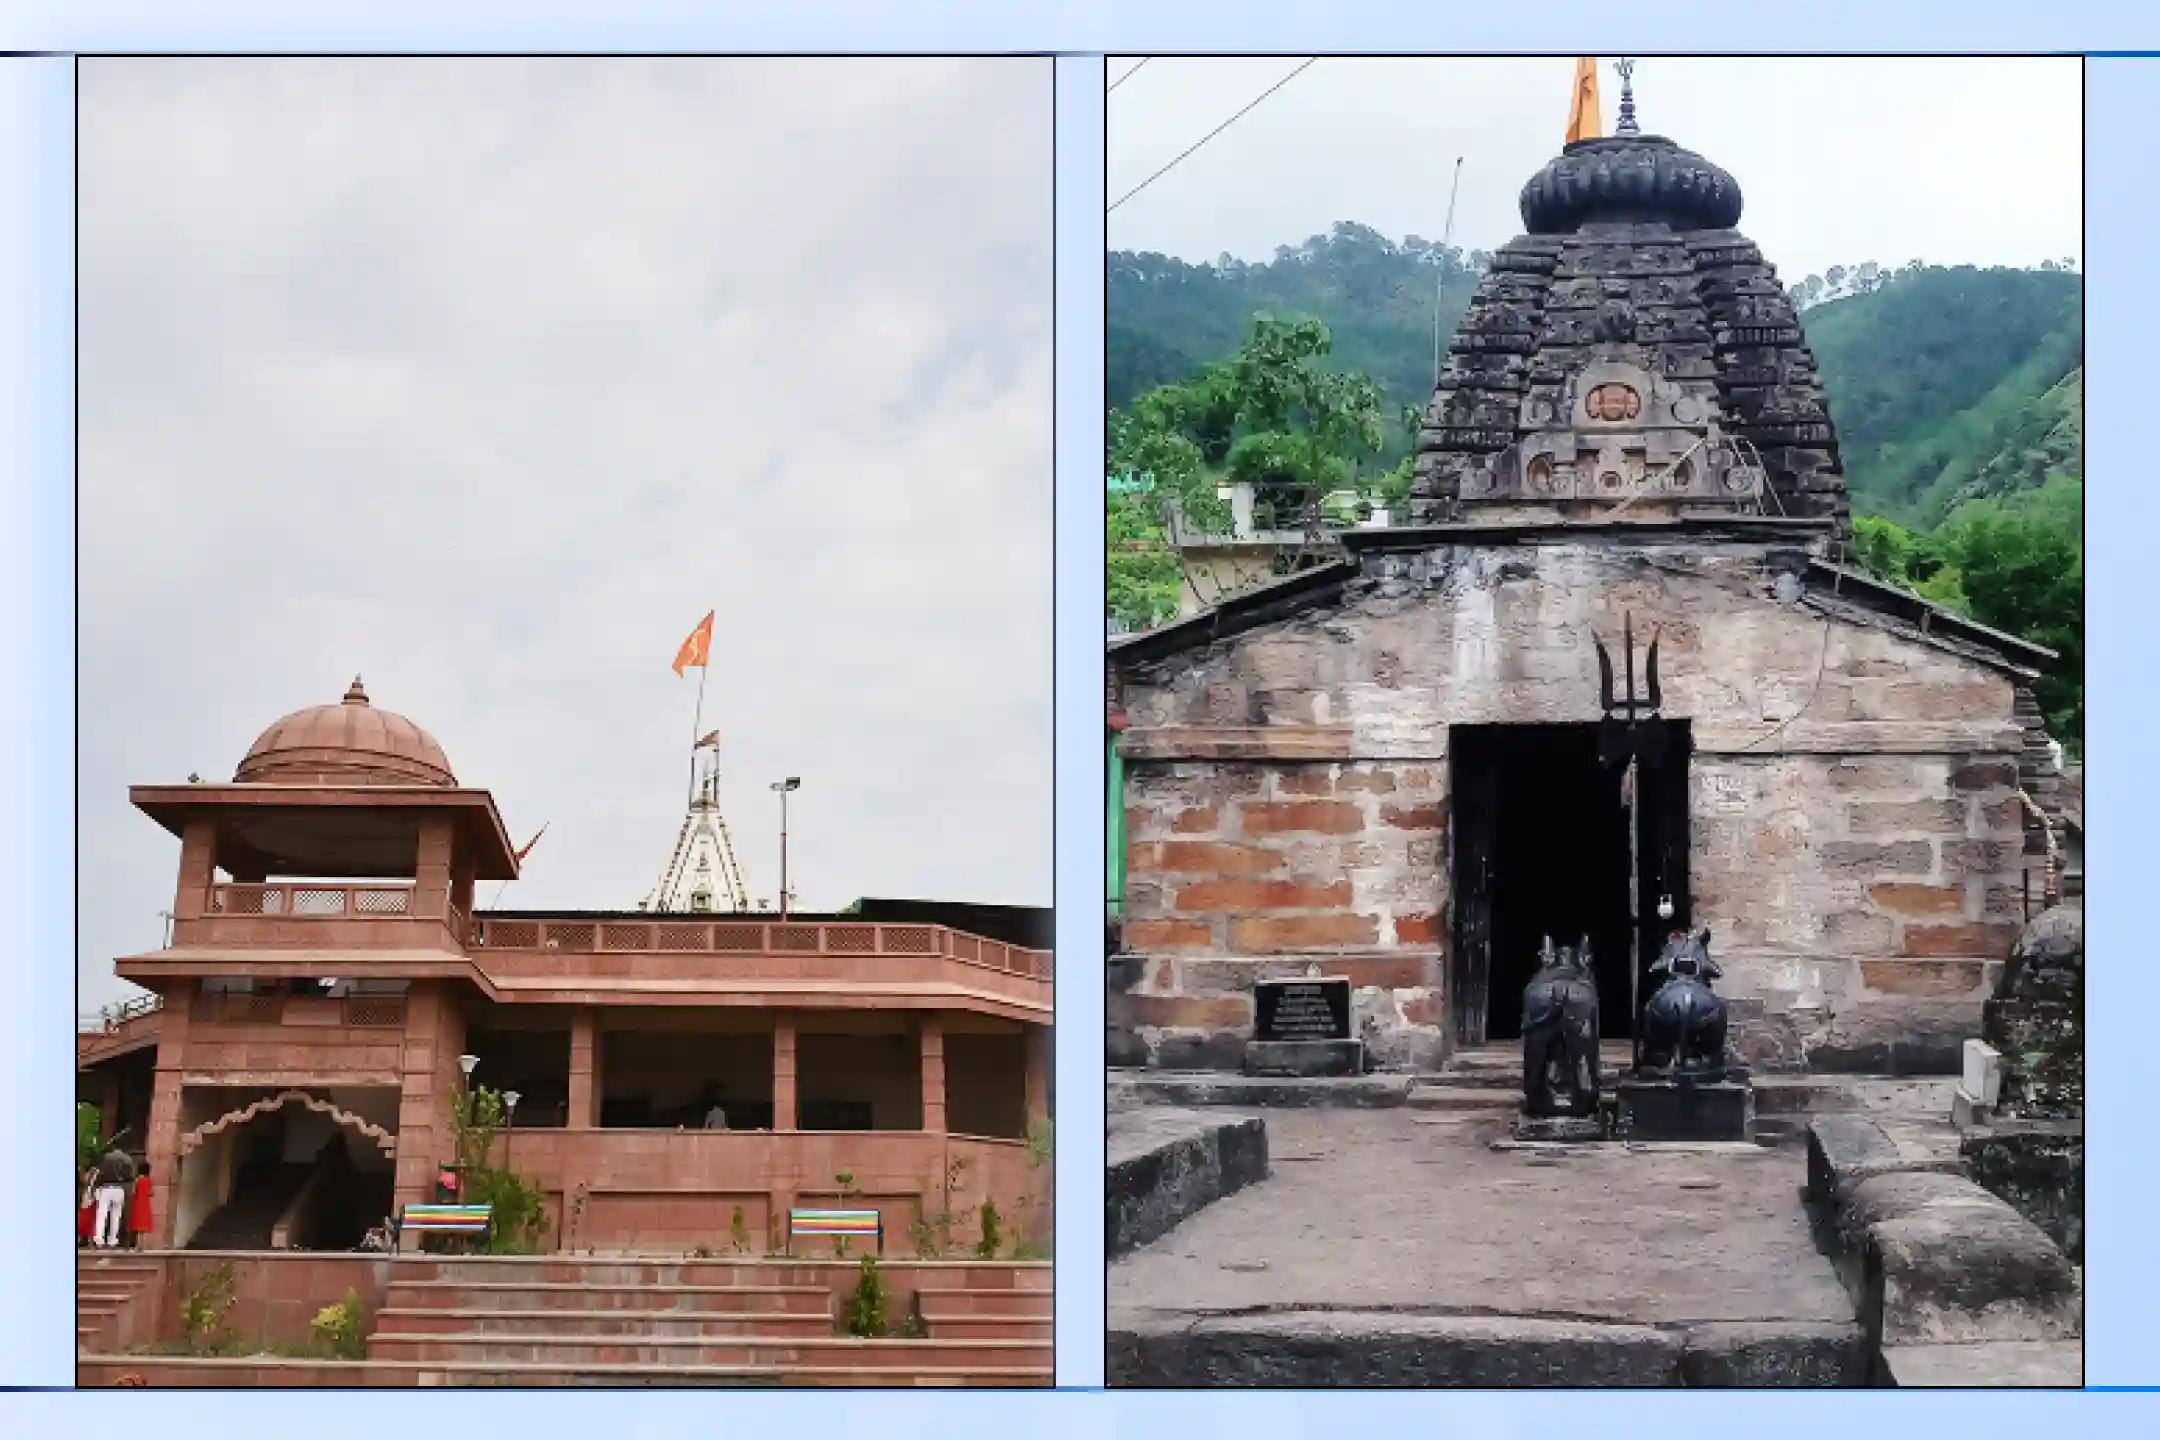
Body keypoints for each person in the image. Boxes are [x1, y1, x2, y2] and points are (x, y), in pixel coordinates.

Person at [92, 1145, 135, 1249]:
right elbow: (130, 1176)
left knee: (102, 1215)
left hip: (106, 1187)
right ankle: (112, 1241)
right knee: (116, 1216)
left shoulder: (107, 1158)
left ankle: (99, 1240)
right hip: (119, 1188)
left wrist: (96, 1186)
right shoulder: (127, 1159)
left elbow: (101, 1174)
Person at [126, 1163, 154, 1249]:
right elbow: (151, 1193)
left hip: (138, 1203)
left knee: (138, 1225)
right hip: (146, 1203)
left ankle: (137, 1245)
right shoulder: (149, 1180)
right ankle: (143, 1245)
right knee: (143, 1226)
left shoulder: (137, 1180)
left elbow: (134, 1192)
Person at [77, 1167, 97, 1248]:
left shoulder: (87, 1187)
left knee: (87, 1226)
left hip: (87, 1206)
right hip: (86, 1206)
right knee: (84, 1225)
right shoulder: (86, 1187)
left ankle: (90, 1243)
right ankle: (90, 1244)